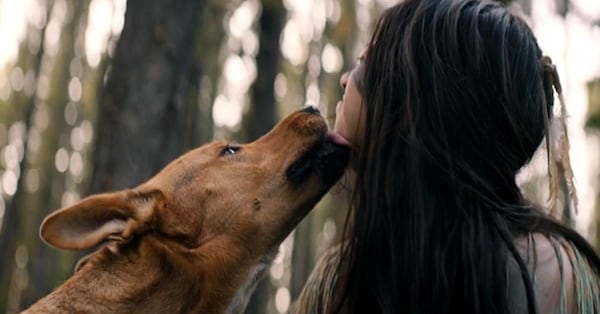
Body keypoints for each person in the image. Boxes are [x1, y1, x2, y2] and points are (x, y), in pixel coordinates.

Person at [292, 0, 600, 313]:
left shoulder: (557, 278)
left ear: (418, 102)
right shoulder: (341, 276)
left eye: (366, 60)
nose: (346, 79)